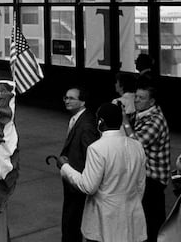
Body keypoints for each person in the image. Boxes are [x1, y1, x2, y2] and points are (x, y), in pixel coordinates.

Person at [58, 102, 147, 242]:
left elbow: (88, 186)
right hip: (131, 217)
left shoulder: (97, 148)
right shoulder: (137, 146)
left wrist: (65, 167)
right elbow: (140, 185)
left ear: (100, 122)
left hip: (104, 220)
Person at [123, 85, 170, 242]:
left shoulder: (155, 120)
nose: (136, 100)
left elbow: (136, 144)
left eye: (141, 98)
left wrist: (125, 122)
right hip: (144, 176)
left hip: (153, 178)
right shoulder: (141, 114)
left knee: (152, 223)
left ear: (152, 101)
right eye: (135, 96)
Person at [59, 87, 99, 242]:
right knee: (70, 220)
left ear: (82, 101)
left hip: (78, 182)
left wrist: (74, 174)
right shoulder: (76, 118)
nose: (67, 101)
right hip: (72, 180)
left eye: (71, 98)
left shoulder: (87, 125)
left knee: (72, 222)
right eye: (65, 97)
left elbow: (91, 155)